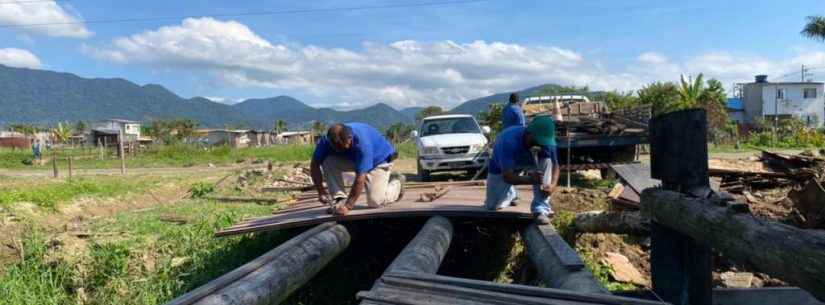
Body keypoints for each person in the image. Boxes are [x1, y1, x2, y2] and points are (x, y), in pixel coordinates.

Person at [310, 122, 405, 215]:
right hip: (354, 159)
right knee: (328, 160)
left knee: (375, 201)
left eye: (343, 148)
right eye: (335, 149)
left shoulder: (362, 144)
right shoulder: (325, 141)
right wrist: (321, 192)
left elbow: (360, 179)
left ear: (350, 138)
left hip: (379, 161)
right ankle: (339, 200)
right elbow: (314, 165)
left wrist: (348, 206)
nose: (339, 151)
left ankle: (397, 183)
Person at [484, 116, 560, 224]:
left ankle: (540, 210)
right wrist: (530, 179)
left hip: (530, 161)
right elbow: (507, 176)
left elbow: (556, 165)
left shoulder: (547, 142)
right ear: (529, 133)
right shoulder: (508, 141)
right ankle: (511, 194)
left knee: (547, 161)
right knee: (492, 205)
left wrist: (552, 185)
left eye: (544, 142)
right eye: (539, 140)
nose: (541, 144)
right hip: (503, 168)